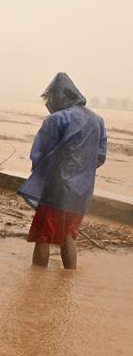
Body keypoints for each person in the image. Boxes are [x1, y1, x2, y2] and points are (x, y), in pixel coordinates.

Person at [18, 72, 107, 269]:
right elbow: (99, 157)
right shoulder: (97, 120)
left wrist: (44, 179)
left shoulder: (57, 119)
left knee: (43, 235)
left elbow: (40, 154)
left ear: (59, 96)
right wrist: (80, 173)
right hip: (82, 191)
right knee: (69, 235)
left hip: (57, 189)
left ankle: (36, 283)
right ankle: (67, 282)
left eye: (51, 98)